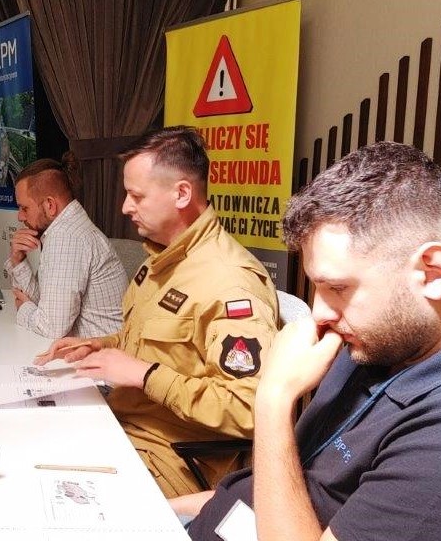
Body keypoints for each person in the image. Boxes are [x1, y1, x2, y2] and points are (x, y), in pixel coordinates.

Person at [174, 141, 441, 540]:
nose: (319, 313)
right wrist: (157, 509)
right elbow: (285, 487)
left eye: (338, 288)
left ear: (433, 273)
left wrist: (273, 400)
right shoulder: (387, 337)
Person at [35, 126, 279, 498]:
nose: (125, 207)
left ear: (182, 193)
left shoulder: (230, 284)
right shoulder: (160, 259)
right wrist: (101, 346)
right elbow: (156, 343)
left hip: (171, 457)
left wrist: (145, 375)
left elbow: (250, 409)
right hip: (124, 425)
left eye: (137, 196)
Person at [5, 158, 126, 339]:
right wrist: (18, 259)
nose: (20, 216)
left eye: (24, 208)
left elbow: (52, 327)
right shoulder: (66, 230)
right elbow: (45, 305)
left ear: (50, 205)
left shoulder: (67, 237)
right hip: (89, 348)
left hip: (97, 353)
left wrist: (23, 309)